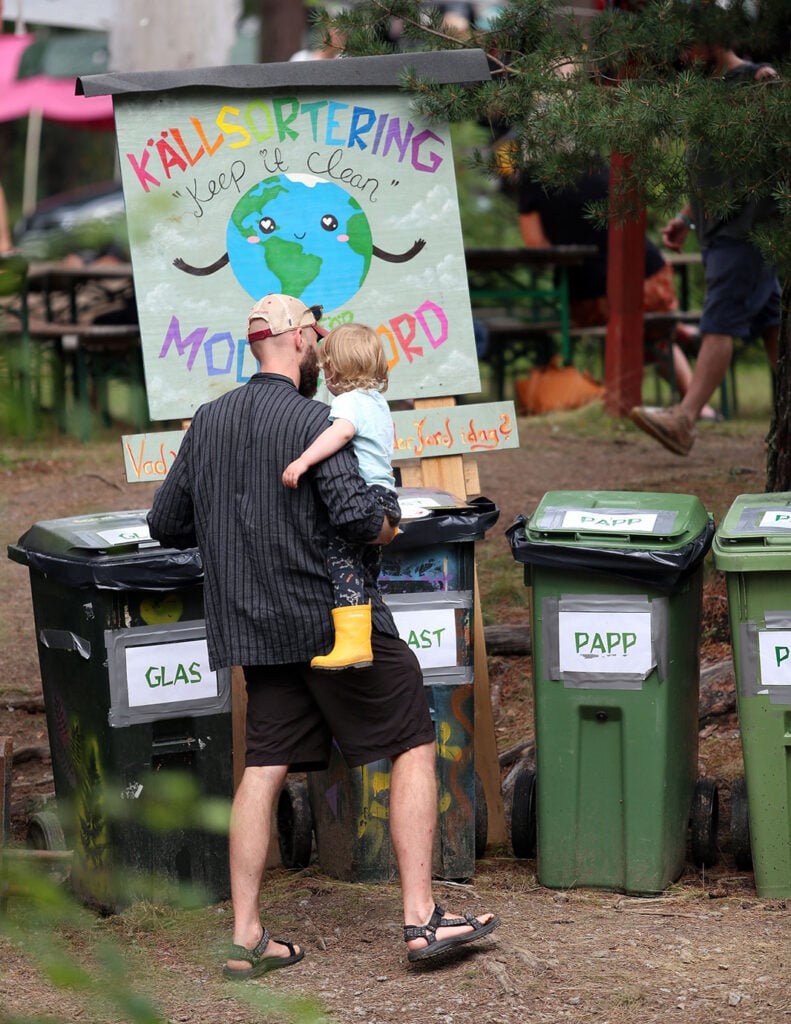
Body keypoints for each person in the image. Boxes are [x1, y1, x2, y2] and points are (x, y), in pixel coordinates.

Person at [146, 293, 499, 979]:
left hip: (254, 625)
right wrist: (389, 520)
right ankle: (422, 918)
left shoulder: (209, 421)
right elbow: (356, 517)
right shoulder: (318, 419)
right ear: (302, 343)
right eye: (316, 340)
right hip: (332, 618)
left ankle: (246, 934)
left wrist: (232, 526)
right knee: (413, 743)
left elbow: (166, 522)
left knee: (262, 767)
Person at [630, 40, 780, 456]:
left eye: (690, 43)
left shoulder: (757, 81)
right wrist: (687, 217)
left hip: (746, 232)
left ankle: (686, 417)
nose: (681, 54)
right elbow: (714, 175)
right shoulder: (706, 96)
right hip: (719, 232)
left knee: (719, 318)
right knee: (774, 325)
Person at [518, 167, 719, 420]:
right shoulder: (601, 165)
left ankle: (676, 346)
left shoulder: (533, 178)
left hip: (592, 293)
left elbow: (536, 247)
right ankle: (698, 395)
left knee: (632, 326)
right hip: (652, 277)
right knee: (653, 333)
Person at [282, 321, 401, 671]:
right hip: (386, 497)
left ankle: (352, 644)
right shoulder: (377, 402)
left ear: (333, 369)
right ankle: (363, 636)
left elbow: (341, 434)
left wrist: (303, 460)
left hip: (365, 494)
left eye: (324, 369)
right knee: (364, 566)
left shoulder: (348, 402)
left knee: (341, 561)